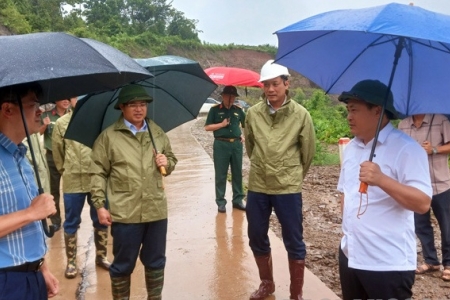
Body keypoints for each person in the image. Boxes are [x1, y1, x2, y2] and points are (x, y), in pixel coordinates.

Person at [337, 79, 432, 300]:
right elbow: (346, 192)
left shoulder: (407, 150)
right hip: (350, 255)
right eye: (347, 110)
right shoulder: (351, 148)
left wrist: (381, 180)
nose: (349, 116)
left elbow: (422, 203)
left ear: (377, 111)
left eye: (354, 110)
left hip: (387, 263)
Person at [90, 84, 177, 299]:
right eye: (133, 105)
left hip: (155, 209)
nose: (139, 109)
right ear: (121, 107)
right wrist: (100, 205)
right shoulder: (108, 137)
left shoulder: (157, 132)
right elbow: (98, 172)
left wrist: (167, 161)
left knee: (156, 260)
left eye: (143, 104)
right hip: (125, 212)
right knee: (122, 264)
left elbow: (171, 160)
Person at [244, 60, 316, 300]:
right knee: (256, 234)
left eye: (275, 84)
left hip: (287, 187)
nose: (271, 89)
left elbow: (307, 152)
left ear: (287, 84)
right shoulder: (253, 114)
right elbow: (251, 147)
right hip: (258, 185)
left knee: (294, 239)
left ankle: (296, 294)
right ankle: (267, 284)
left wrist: (291, 174)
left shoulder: (301, 115)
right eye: (266, 85)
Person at [0, 83, 59, 299]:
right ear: (8, 109)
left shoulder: (21, 156)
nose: (40, 111)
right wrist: (30, 213)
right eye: (33, 104)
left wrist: (40, 268)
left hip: (30, 277)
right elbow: (30, 214)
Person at [52, 97, 111, 279]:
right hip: (73, 180)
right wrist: (67, 169)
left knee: (101, 218)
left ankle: (101, 256)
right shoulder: (62, 123)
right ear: (71, 100)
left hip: (96, 179)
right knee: (71, 221)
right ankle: (71, 261)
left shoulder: (99, 120)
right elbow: (57, 152)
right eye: (76, 97)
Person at [398, 114, 450, 280]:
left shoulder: (441, 120)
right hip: (416, 186)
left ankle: (448, 264)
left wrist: (434, 149)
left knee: (447, 226)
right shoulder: (403, 125)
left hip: (440, 184)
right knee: (420, 225)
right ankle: (431, 261)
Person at [204, 85, 246, 213]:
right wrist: (221, 125)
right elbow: (207, 127)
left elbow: (246, 125)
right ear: (223, 96)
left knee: (237, 173)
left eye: (233, 96)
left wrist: (243, 135)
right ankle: (221, 201)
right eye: (229, 96)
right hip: (221, 144)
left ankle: (238, 200)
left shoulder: (238, 110)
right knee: (221, 174)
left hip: (236, 145)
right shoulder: (215, 110)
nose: (231, 98)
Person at [39, 98, 71, 231]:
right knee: (54, 190)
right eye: (63, 98)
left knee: (70, 190)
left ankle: (71, 220)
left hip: (68, 156)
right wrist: (45, 125)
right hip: (52, 157)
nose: (66, 101)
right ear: (56, 100)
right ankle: (56, 220)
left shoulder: (73, 115)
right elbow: (38, 133)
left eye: (68, 99)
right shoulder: (46, 115)